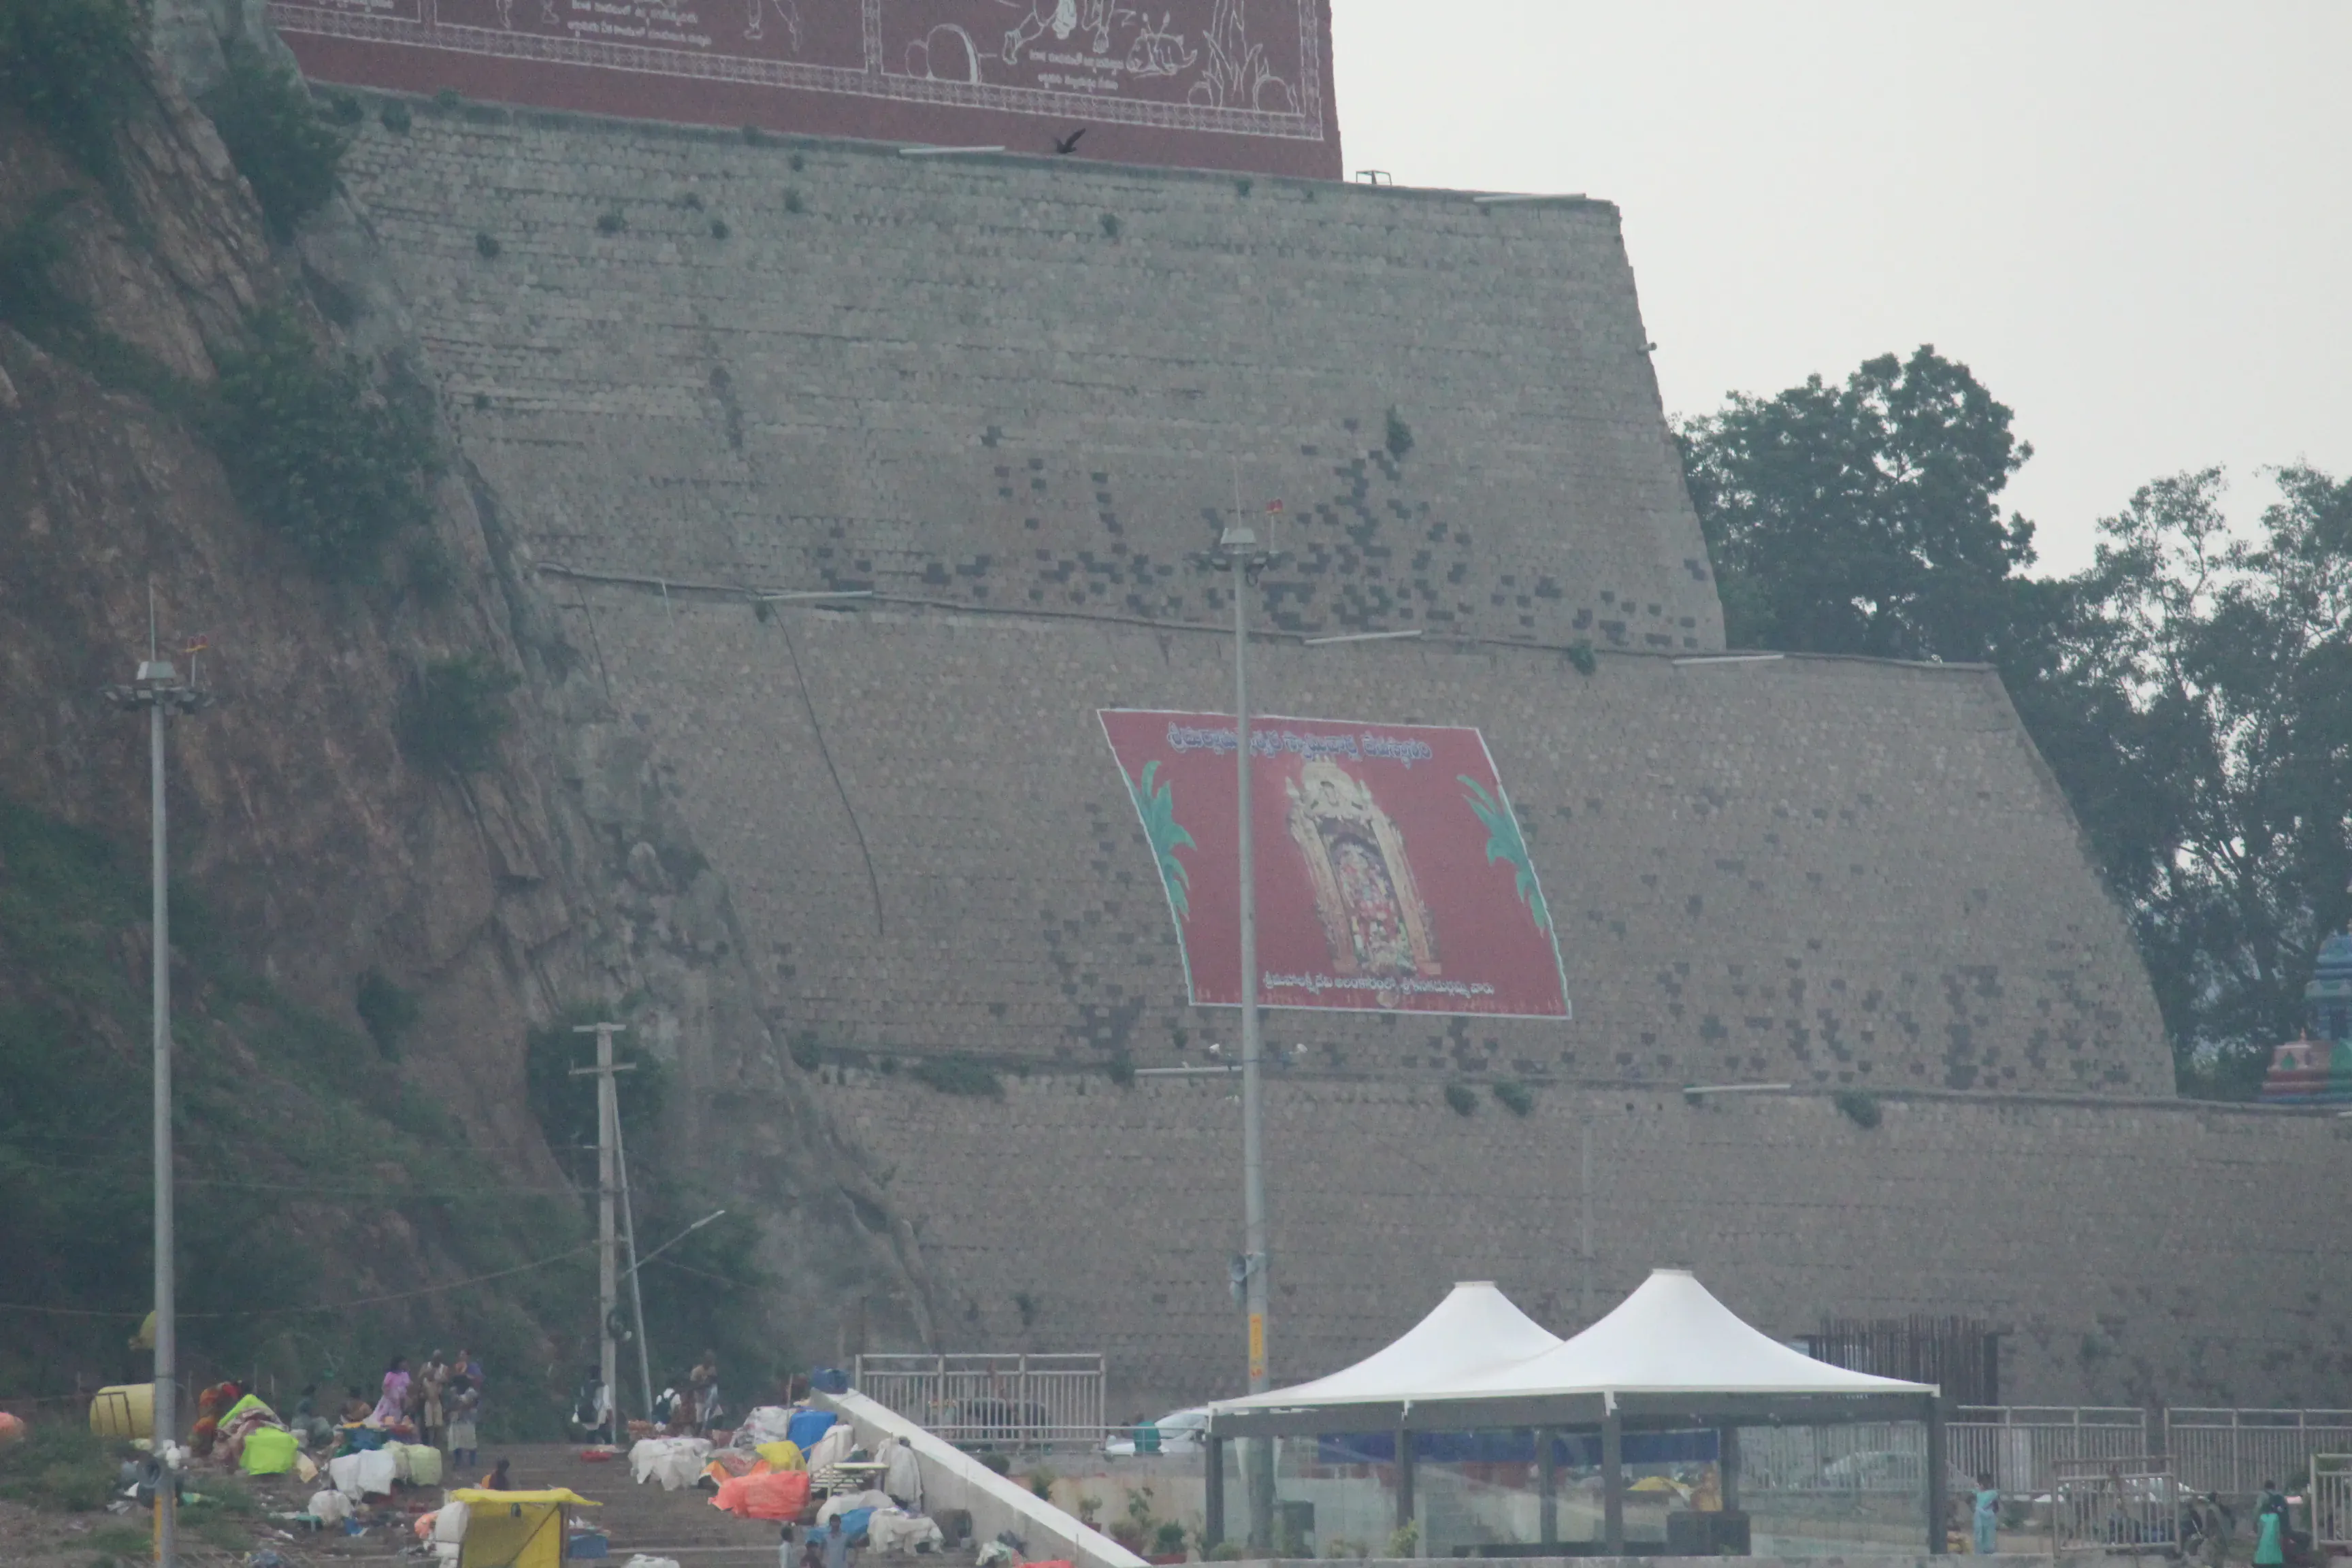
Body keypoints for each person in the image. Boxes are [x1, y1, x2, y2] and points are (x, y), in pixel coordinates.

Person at [446, 1375, 481, 1469]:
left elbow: (475, 1402)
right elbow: (451, 1404)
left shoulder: (471, 1391)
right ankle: (457, 1462)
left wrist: (463, 1406)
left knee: (470, 1440)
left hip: (467, 1420)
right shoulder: (453, 1391)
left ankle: (472, 1462)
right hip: (456, 1420)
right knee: (456, 1441)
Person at [573, 1365, 613, 1445]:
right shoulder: (603, 1386)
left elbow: (581, 1399)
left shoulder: (584, 1386)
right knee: (608, 1439)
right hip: (600, 1415)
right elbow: (607, 1404)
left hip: (586, 1414)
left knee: (590, 1437)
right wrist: (611, 1417)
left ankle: (590, 1454)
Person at [419, 1352, 449, 1452]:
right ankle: (428, 1443)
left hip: (439, 1398)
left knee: (438, 1423)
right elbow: (420, 1379)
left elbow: (447, 1381)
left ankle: (436, 1443)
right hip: (426, 1398)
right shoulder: (426, 1366)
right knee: (427, 1423)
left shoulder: (444, 1368)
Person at [370, 1356, 411, 1427]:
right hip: (390, 1399)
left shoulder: (405, 1375)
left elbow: (408, 1387)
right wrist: (390, 1397)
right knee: (385, 1417)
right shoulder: (390, 1375)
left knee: (399, 1417)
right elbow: (384, 1387)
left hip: (401, 1400)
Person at [2255, 1480, 2287, 1568]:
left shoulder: (2263, 1496)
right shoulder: (2281, 1497)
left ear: (2265, 1488)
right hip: (2284, 1530)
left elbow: (2257, 1510)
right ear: (2274, 1487)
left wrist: (2254, 1524)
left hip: (2263, 1555)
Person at [1972, 1472, 2000, 1556]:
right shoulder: (1980, 1493)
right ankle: (1985, 1550)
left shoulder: (1990, 1494)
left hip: (1986, 1516)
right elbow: (1996, 1508)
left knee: (1984, 1535)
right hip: (1987, 1516)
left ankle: (1984, 1550)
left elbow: (1996, 1507)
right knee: (1985, 1535)